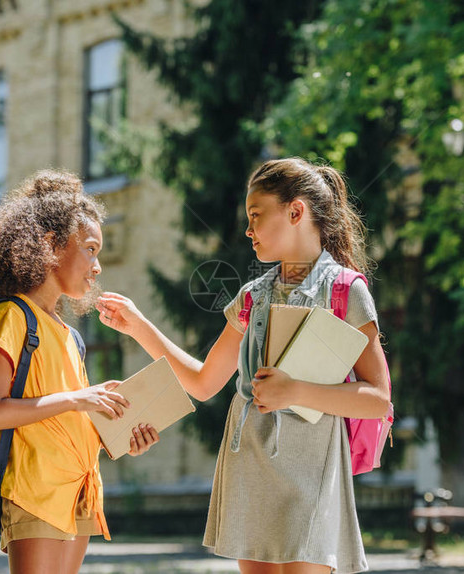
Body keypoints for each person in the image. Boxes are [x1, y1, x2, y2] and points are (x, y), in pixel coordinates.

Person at [97, 157, 391, 574]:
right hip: (248, 464)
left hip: (313, 472)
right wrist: (139, 327)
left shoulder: (346, 290)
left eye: (256, 215)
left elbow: (378, 399)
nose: (248, 230)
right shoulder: (251, 296)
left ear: (295, 211)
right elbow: (203, 383)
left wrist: (294, 391)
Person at [0, 169, 160, 574]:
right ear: (50, 246)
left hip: (81, 491)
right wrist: (78, 397)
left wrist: (120, 435)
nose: (97, 265)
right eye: (89, 248)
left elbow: (63, 422)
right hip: (35, 490)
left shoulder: (71, 335)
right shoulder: (12, 315)